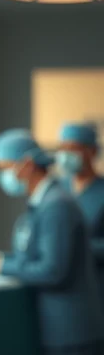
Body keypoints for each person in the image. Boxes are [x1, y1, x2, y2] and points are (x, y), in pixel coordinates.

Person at [0, 128, 104, 355]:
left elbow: (52, 271)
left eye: (5, 168)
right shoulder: (44, 201)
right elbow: (35, 255)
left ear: (26, 165)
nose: (3, 177)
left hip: (71, 332)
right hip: (59, 329)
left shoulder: (57, 205)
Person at [56, 122, 104, 303]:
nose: (65, 155)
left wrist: (79, 248)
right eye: (62, 149)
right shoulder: (58, 189)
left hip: (96, 286)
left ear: (92, 152)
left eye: (73, 149)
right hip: (61, 284)